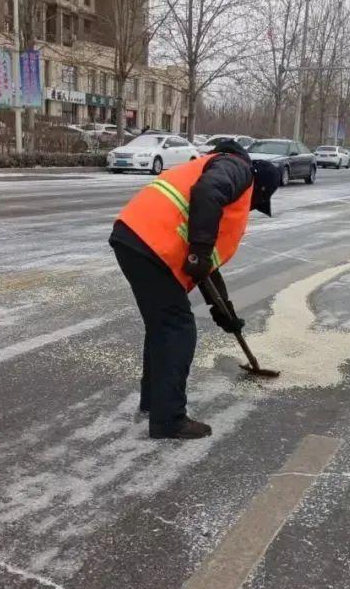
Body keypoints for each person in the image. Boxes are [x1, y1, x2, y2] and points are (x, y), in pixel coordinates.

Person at [110, 140, 280, 439]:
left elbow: (206, 268)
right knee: (177, 328)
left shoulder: (221, 177)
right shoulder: (237, 169)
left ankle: (154, 403)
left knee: (163, 326)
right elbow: (207, 192)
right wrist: (199, 251)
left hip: (133, 237)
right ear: (260, 188)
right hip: (150, 242)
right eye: (257, 202)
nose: (251, 208)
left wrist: (223, 312)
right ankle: (169, 419)